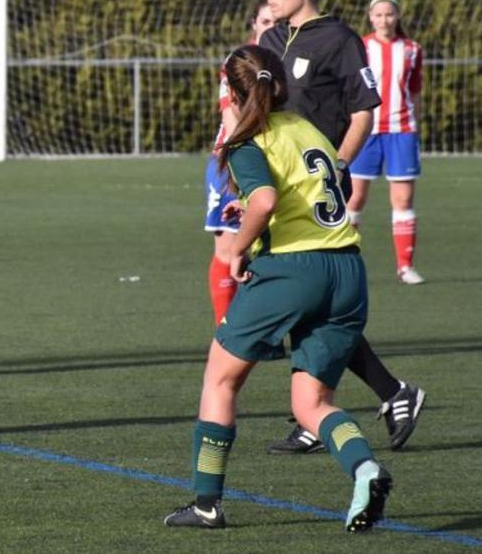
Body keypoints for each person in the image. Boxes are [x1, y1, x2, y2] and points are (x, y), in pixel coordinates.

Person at [164, 45, 391, 532]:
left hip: (293, 271)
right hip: (347, 270)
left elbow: (265, 199)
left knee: (220, 379)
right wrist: (249, 214)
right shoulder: (307, 128)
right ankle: (366, 469)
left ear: (230, 89)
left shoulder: (248, 139)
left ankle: (206, 505)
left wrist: (239, 247)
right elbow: (334, 186)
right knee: (311, 404)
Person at [257, 0, 425, 454]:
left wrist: (337, 166)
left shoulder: (341, 41)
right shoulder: (269, 38)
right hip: (280, 189)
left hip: (317, 191)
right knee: (308, 307)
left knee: (301, 300)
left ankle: (326, 409)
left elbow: (362, 113)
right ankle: (382, 395)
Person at [205, 0, 274, 327]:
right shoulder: (237, 62)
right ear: (254, 25)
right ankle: (225, 327)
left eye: (277, 22)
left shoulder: (286, 61)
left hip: (277, 158)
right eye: (265, 22)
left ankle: (262, 324)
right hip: (235, 157)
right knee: (230, 247)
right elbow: (230, 116)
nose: (271, 27)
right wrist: (238, 164)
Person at [349, 0, 425, 285]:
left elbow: (415, 90)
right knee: (355, 197)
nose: (384, 20)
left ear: (398, 16)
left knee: (403, 198)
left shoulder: (412, 49)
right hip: (366, 131)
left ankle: (405, 267)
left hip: (401, 131)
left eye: (389, 14)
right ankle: (348, 263)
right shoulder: (361, 47)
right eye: (378, 15)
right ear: (370, 17)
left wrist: (415, 125)